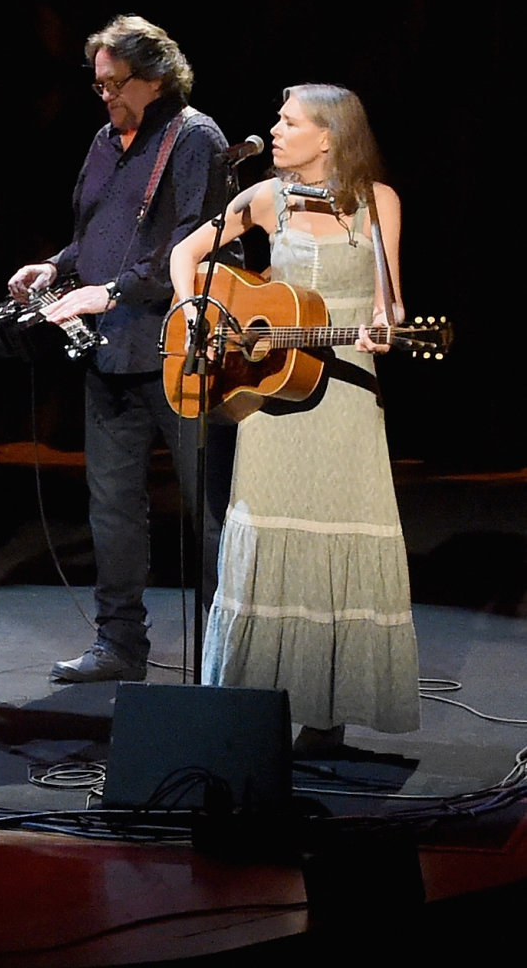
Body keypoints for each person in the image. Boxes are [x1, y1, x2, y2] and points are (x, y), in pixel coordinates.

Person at [168, 84, 417, 751]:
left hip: (347, 393)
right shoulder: (264, 199)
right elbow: (185, 254)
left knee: (336, 535)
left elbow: (387, 306)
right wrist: (197, 313)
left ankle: (327, 717)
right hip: (272, 392)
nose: (274, 130)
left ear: (330, 136)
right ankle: (251, 703)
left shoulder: (377, 203)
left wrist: (384, 327)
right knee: (263, 541)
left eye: (289, 122)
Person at [6, 15, 233, 685]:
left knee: (214, 511)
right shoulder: (106, 142)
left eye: (115, 83)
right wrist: (56, 267)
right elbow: (102, 235)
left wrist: (106, 293)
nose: (104, 96)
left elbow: (193, 247)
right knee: (111, 507)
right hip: (110, 354)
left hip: (179, 351)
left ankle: (232, 649)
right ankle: (119, 646)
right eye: (98, 84)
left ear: (156, 76)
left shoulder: (195, 139)